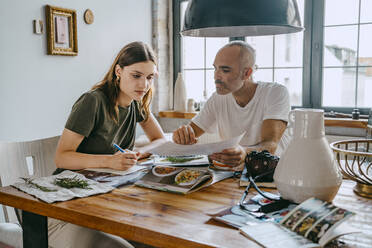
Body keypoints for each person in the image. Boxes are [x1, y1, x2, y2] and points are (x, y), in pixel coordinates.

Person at [52, 41, 165, 248]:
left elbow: (159, 139)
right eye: (136, 75)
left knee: (156, 240)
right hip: (64, 205)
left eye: (149, 77)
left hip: (102, 200)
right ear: (118, 71)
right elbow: (61, 157)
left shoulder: (136, 103)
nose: (144, 85)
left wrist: (138, 153)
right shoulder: (92, 101)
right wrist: (110, 162)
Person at [172, 41, 290, 169]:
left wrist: (245, 152)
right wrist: (181, 135)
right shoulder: (217, 98)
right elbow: (191, 132)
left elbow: (271, 144)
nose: (216, 76)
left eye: (225, 70)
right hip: (235, 176)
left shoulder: (275, 92)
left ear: (247, 73)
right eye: (215, 68)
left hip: (273, 174)